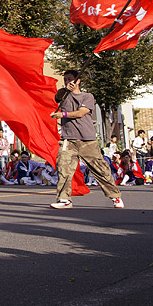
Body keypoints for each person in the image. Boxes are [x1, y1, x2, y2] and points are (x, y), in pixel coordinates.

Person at [49, 70, 123, 209]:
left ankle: (115, 196)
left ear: (78, 81)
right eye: (65, 79)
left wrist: (62, 114)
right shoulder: (64, 94)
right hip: (68, 140)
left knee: (100, 169)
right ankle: (64, 199)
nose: (67, 81)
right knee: (63, 168)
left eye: (70, 79)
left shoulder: (87, 96)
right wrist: (65, 89)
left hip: (87, 140)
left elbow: (81, 113)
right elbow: (57, 97)